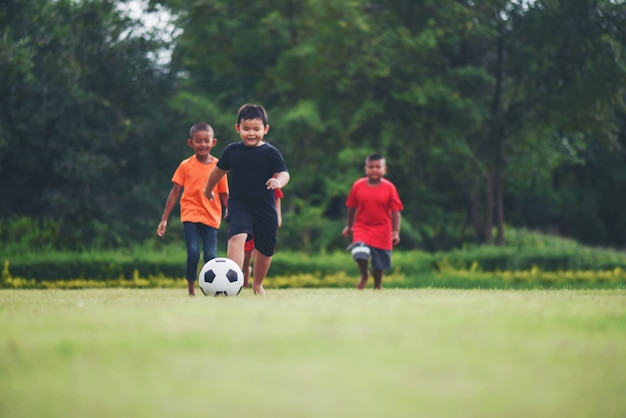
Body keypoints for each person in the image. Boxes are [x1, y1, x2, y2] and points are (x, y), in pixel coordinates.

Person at [204, 104, 289, 295]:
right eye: (246, 129)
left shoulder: (270, 152)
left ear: (265, 129)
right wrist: (208, 189)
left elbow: (284, 173)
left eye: (256, 129)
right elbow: (217, 171)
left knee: (266, 249)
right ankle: (232, 284)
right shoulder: (232, 151)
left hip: (265, 206)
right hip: (239, 204)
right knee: (236, 237)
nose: (251, 133)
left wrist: (279, 182)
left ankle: (257, 284)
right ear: (238, 128)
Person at [157, 123, 229, 296]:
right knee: (193, 253)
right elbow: (175, 192)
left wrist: (230, 210)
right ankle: (191, 291)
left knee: (211, 256)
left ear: (214, 142)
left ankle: (211, 289)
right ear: (191, 143)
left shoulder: (219, 167)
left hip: (211, 217)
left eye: (206, 141)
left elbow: (225, 193)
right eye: (198, 141)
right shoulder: (185, 165)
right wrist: (164, 219)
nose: (202, 144)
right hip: (190, 215)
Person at [342, 154, 403, 290]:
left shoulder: (389, 188)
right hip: (362, 228)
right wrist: (349, 226)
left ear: (384, 169)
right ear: (366, 169)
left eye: (377, 167)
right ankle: (364, 274)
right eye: (370, 167)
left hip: (383, 229)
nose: (374, 170)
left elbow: (396, 211)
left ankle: (377, 286)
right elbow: (352, 207)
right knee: (359, 252)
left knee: (379, 263)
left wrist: (395, 232)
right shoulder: (358, 186)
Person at [242, 187, 284, 287]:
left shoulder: (272, 178)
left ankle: (257, 281)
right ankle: (246, 269)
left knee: (260, 250)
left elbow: (277, 198)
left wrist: (278, 216)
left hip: (265, 216)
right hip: (248, 215)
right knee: (247, 254)